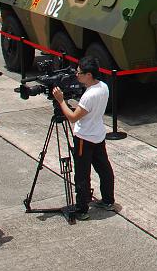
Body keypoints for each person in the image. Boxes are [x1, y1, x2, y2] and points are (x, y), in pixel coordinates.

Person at [52, 56, 117, 220]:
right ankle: (108, 200)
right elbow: (87, 111)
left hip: (84, 138)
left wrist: (61, 101)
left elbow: (73, 117)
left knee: (82, 173)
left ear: (89, 75)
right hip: (98, 134)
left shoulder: (89, 95)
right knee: (104, 168)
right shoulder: (103, 87)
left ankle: (82, 209)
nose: (77, 75)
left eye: (79, 72)